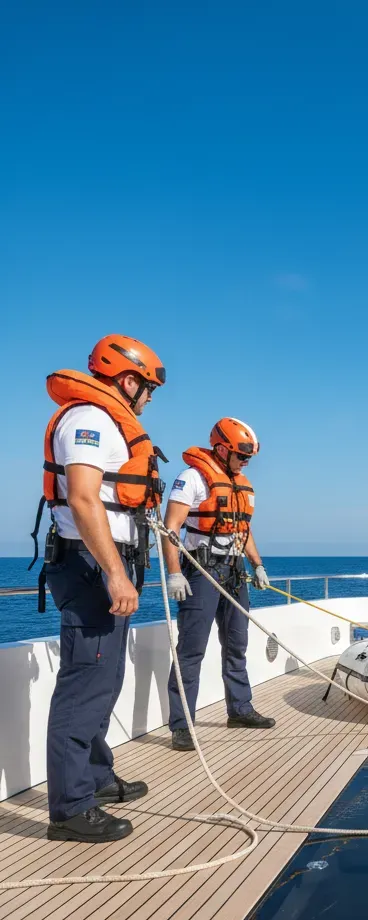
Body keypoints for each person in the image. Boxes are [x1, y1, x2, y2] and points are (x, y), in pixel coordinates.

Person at [35, 335, 166, 842]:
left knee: (106, 679)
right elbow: (86, 499)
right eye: (147, 387)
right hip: (92, 566)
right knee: (84, 685)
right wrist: (114, 572)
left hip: (107, 561)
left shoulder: (107, 421)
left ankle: (96, 777)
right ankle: (69, 810)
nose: (149, 399)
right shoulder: (88, 419)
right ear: (127, 380)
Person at [163, 418, 275, 751]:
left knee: (237, 644)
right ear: (222, 448)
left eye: (249, 457)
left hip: (234, 571)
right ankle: (182, 725)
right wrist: (173, 572)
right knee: (191, 650)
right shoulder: (192, 479)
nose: (245, 462)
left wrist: (258, 564)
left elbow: (244, 530)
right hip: (202, 570)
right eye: (242, 455)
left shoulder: (241, 485)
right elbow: (171, 528)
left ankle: (239, 710)